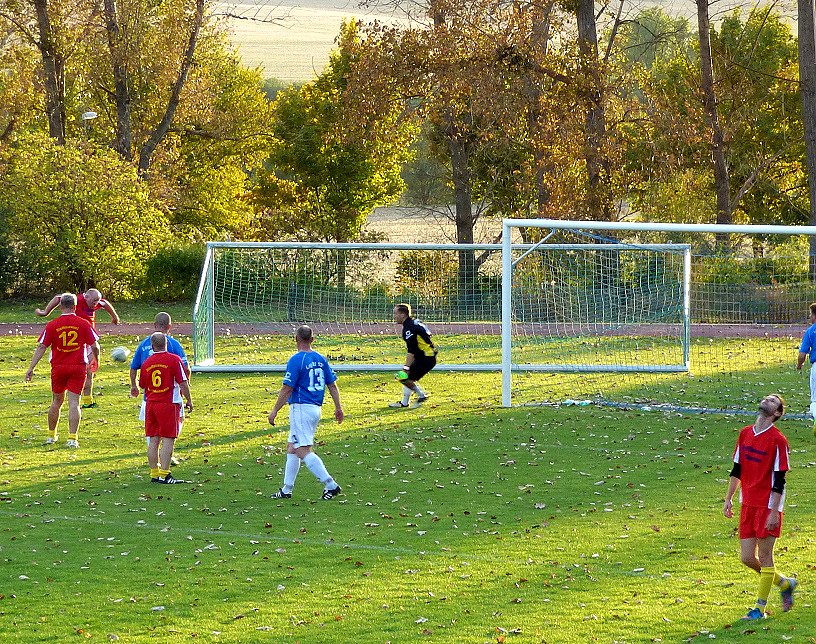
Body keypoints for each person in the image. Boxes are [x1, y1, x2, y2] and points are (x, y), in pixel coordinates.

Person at [723, 393, 797, 620]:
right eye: (767, 397)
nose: (767, 399)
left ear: (777, 413)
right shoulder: (745, 433)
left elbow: (780, 479)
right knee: (747, 558)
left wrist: (774, 511)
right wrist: (729, 498)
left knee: (765, 557)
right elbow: (737, 469)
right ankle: (784, 583)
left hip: (768, 505)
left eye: (773, 400)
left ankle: (759, 609)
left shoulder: (778, 440)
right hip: (748, 503)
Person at [267, 325, 344, 500]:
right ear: (312, 339)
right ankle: (287, 489)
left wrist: (274, 411)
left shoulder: (296, 360)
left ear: (296, 339)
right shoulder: (321, 359)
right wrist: (338, 407)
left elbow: (287, 388)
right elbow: (332, 385)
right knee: (292, 447)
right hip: (315, 408)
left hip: (301, 408)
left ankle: (330, 484)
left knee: (302, 449)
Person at [25, 293, 100, 448]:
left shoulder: (52, 325)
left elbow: (41, 347)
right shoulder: (84, 323)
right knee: (74, 403)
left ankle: (51, 436)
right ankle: (72, 438)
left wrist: (31, 367)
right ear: (75, 306)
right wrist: (95, 360)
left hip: (58, 367)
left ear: (60, 306)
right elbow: (95, 346)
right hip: (78, 367)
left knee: (56, 402)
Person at [36, 288, 121, 408]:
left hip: (89, 339)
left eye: (97, 301)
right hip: (78, 339)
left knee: (90, 370)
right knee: (79, 370)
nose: (96, 303)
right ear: (86, 297)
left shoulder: (96, 302)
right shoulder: (78, 299)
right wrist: (45, 312)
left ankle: (87, 400)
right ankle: (64, 400)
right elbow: (57, 298)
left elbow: (105, 304)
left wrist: (115, 317)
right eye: (94, 301)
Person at [130, 312, 190, 466]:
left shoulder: (145, 350)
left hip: (149, 399)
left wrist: (134, 386)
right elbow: (186, 369)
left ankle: (154, 469)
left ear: (154, 325)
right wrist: (187, 393)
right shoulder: (174, 347)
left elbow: (137, 373)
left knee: (152, 435)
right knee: (170, 432)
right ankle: (165, 464)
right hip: (170, 400)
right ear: (169, 327)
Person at [137, 333, 193, 484]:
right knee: (168, 439)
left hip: (151, 404)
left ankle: (154, 473)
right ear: (166, 343)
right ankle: (165, 474)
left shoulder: (147, 363)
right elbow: (183, 382)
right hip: (168, 404)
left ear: (152, 346)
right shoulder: (174, 360)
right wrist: (189, 400)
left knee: (153, 439)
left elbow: (142, 384)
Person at [389, 303, 437, 408]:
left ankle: (422, 395)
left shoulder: (408, 329)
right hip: (426, 356)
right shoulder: (415, 322)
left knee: (402, 377)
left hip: (426, 358)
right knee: (408, 378)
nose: (394, 316)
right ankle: (404, 403)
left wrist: (406, 367)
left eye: (395, 313)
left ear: (402, 314)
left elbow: (411, 350)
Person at [795, 302, 816, 434]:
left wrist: (799, 365)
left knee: (815, 399)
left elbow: (802, 354)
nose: (810, 318)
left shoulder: (811, 331)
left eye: (811, 315)